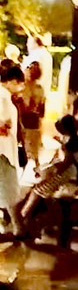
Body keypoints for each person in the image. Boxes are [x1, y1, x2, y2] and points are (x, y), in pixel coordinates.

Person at [14, 117, 78, 241]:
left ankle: (23, 217)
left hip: (66, 173)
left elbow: (67, 162)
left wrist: (53, 172)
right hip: (67, 171)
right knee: (40, 192)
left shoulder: (73, 142)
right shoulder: (75, 140)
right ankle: (26, 219)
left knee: (37, 191)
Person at [0, 65, 23, 235]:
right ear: (13, 81)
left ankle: (16, 226)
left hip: (5, 149)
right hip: (4, 151)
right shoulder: (3, 98)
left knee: (8, 188)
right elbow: (4, 124)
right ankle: (18, 227)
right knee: (10, 188)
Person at [17, 60, 46, 173]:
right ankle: (37, 166)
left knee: (24, 145)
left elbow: (23, 106)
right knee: (34, 147)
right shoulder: (39, 89)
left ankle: (26, 168)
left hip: (25, 120)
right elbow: (42, 109)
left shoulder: (22, 88)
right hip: (34, 120)